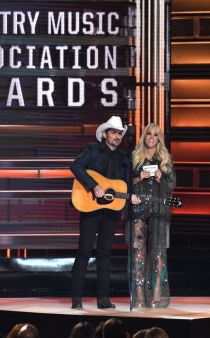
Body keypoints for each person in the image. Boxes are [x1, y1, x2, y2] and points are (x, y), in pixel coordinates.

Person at [70, 116, 135, 309]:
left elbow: (125, 184)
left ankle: (103, 299)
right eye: (113, 132)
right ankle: (76, 299)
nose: (117, 136)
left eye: (119, 133)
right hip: (90, 207)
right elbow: (76, 166)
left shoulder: (124, 157)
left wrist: (132, 195)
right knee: (84, 251)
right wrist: (93, 185)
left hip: (110, 211)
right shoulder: (93, 149)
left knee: (105, 253)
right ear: (105, 134)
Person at [127, 123, 176, 309]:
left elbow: (172, 185)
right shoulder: (134, 157)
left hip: (158, 210)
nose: (151, 137)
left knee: (158, 252)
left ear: (158, 139)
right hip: (138, 209)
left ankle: (156, 292)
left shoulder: (165, 159)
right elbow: (124, 183)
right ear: (144, 136)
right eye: (148, 134)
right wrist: (139, 178)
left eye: (155, 135)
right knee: (138, 252)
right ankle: (139, 294)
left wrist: (159, 178)